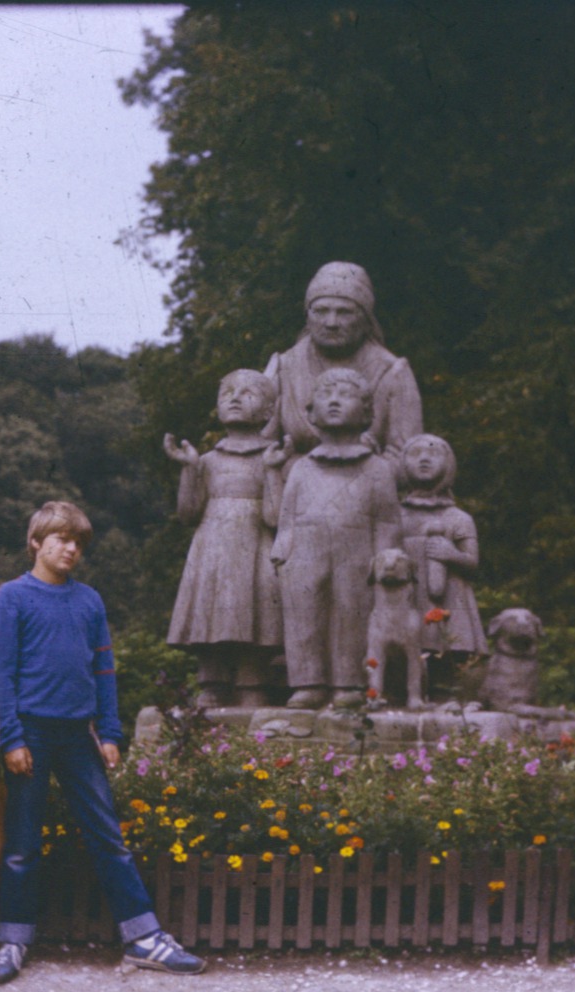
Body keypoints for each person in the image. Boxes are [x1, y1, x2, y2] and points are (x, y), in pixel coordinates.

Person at [0, 500, 205, 983]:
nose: (72, 549)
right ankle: (13, 943)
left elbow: (104, 669)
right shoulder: (12, 599)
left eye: (79, 542)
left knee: (109, 838)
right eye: (62, 539)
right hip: (30, 736)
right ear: (37, 542)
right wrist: (11, 738)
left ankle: (144, 938)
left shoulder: (89, 601)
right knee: (21, 845)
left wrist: (109, 731)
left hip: (79, 736)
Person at [270, 368, 403, 710]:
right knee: (304, 614)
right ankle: (308, 682)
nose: (333, 401)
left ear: (366, 411)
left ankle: (350, 683)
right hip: (304, 551)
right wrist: (284, 546)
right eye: (326, 395)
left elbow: (388, 519)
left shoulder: (377, 469)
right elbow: (287, 514)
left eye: (344, 395)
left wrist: (383, 558)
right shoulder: (301, 467)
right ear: (311, 411)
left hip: (358, 554)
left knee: (352, 613)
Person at [163, 368, 286, 708]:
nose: (234, 397)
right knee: (210, 613)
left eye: (248, 393)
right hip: (212, 549)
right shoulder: (207, 460)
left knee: (254, 616)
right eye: (228, 392)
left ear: (268, 411)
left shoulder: (273, 457)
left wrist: (274, 471)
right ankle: (212, 683)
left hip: (256, 547)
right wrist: (189, 469)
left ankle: (252, 686)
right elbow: (188, 513)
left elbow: (275, 517)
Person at [263, 261, 423, 466]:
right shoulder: (284, 368)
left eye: (344, 312)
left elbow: (408, 459)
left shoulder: (393, 372)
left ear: (365, 319)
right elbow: (261, 447)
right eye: (320, 311)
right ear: (307, 315)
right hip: (292, 488)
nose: (331, 323)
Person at [397, 434, 487, 697]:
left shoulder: (458, 518)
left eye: (433, 454)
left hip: (450, 596)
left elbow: (472, 562)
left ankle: (450, 695)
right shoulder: (396, 516)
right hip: (409, 597)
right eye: (415, 454)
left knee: (453, 648)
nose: (424, 459)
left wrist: (451, 554)